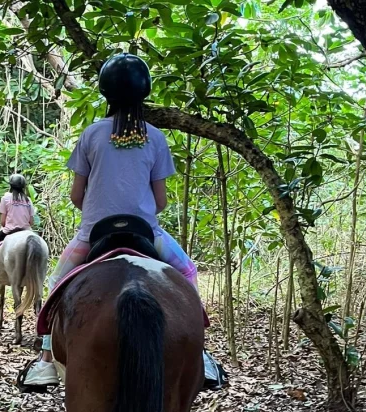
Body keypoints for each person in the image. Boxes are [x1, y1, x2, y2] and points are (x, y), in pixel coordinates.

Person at [22, 53, 227, 391]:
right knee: (189, 272)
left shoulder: (91, 134)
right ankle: (200, 353)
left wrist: (98, 207)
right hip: (146, 232)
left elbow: (76, 195)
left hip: (93, 234)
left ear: (105, 92)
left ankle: (45, 360)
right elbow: (160, 201)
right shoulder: (155, 138)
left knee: (57, 281)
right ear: (144, 92)